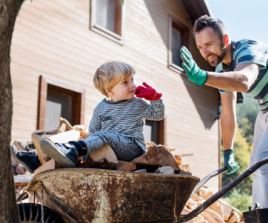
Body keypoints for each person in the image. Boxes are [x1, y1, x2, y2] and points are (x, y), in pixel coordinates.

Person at [180, 15, 268, 223]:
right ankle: (256, 217)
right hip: (267, 105)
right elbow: (228, 113)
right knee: (255, 165)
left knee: (267, 162)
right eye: (200, 47)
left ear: (225, 39)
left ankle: (267, 219)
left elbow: (244, 81)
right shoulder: (221, 70)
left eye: (209, 45)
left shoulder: (248, 50)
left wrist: (203, 76)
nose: (205, 52)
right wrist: (228, 151)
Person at [11, 61, 165, 171]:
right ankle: (37, 161)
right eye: (125, 82)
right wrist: (87, 157)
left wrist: (155, 99)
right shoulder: (101, 108)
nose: (133, 85)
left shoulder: (137, 104)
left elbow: (158, 115)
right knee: (86, 139)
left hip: (132, 148)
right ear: (109, 90)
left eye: (132, 79)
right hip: (109, 148)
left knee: (104, 136)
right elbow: (92, 132)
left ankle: (72, 151)